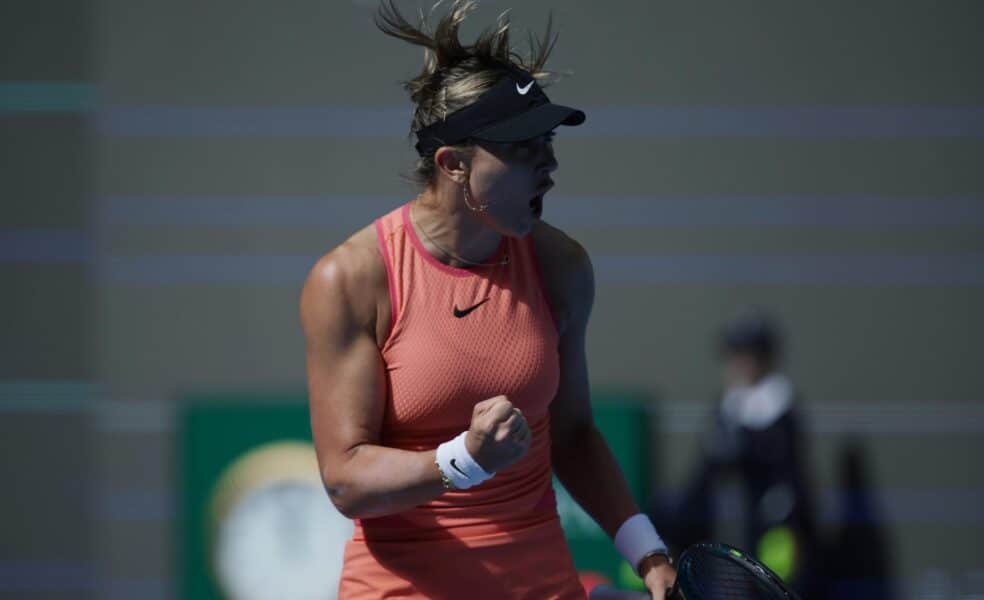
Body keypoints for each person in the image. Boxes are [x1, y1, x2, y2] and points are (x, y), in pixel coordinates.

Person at [299, 1, 678, 598]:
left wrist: (649, 554)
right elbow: (345, 479)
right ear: (453, 164)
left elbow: (573, 433)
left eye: (548, 141)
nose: (549, 166)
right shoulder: (350, 279)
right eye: (524, 148)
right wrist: (464, 459)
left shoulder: (562, 267)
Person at [656, 308, 826, 598]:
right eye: (736, 355)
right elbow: (703, 474)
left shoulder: (781, 409)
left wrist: (784, 518)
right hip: (723, 532)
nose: (741, 364)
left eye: (750, 355)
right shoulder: (726, 408)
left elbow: (790, 476)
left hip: (769, 528)